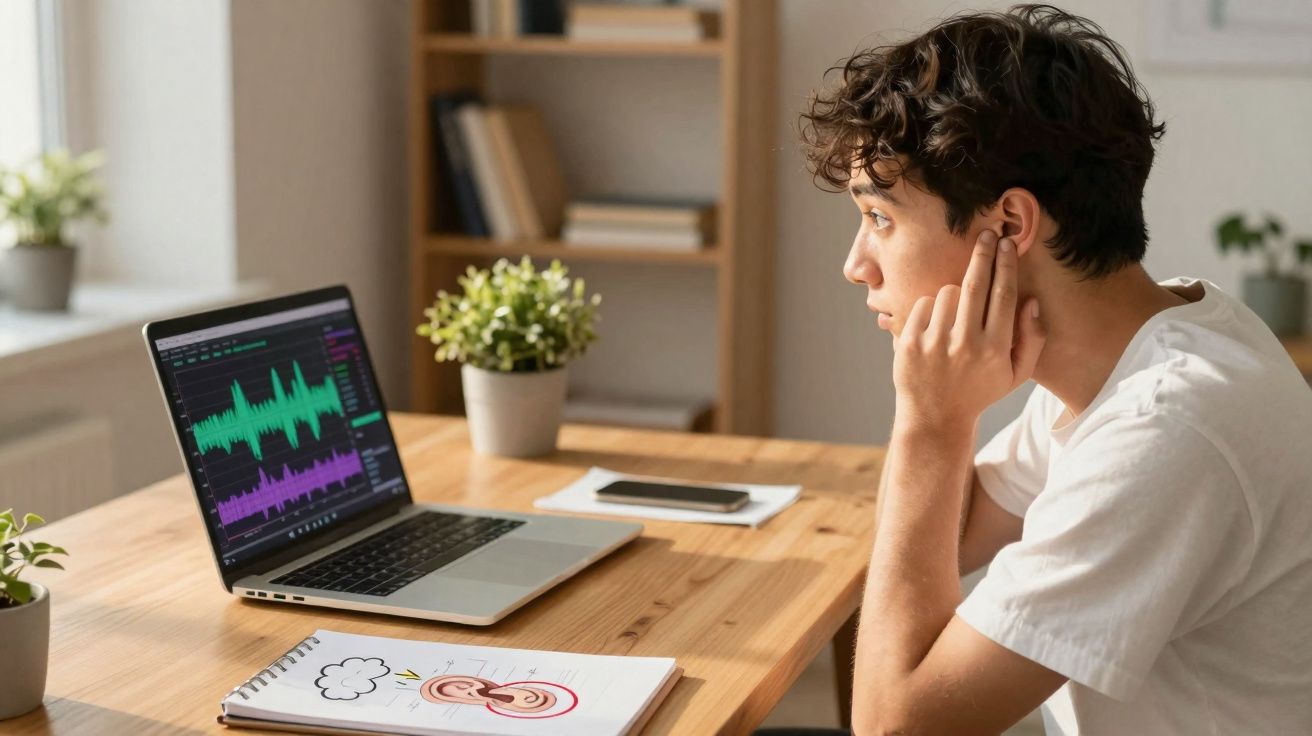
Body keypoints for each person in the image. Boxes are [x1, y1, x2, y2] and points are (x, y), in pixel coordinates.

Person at [764, 4, 1312, 735]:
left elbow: (895, 726)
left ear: (1010, 226)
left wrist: (933, 421)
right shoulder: (1155, 338)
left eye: (882, 219)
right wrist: (937, 416)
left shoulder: (1167, 430)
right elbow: (949, 538)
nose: (856, 266)